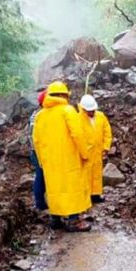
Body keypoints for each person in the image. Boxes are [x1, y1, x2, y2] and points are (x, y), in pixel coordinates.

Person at [32, 81, 93, 232]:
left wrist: (41, 161)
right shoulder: (68, 111)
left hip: (49, 162)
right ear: (64, 95)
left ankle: (55, 219)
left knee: (54, 189)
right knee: (71, 188)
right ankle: (73, 221)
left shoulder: (40, 116)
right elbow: (77, 134)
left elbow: (36, 141)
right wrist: (84, 153)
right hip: (68, 159)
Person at [78, 94, 112, 204]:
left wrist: (106, 147)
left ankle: (96, 195)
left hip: (97, 152)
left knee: (97, 174)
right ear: (83, 109)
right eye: (89, 111)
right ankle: (85, 197)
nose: (92, 112)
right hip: (85, 153)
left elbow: (107, 132)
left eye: (93, 110)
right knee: (86, 176)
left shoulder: (101, 116)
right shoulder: (78, 119)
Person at [28, 90, 49, 214]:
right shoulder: (39, 116)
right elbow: (35, 137)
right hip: (38, 152)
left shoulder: (37, 114)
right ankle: (40, 203)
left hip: (38, 151)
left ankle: (42, 202)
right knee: (41, 176)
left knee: (41, 176)